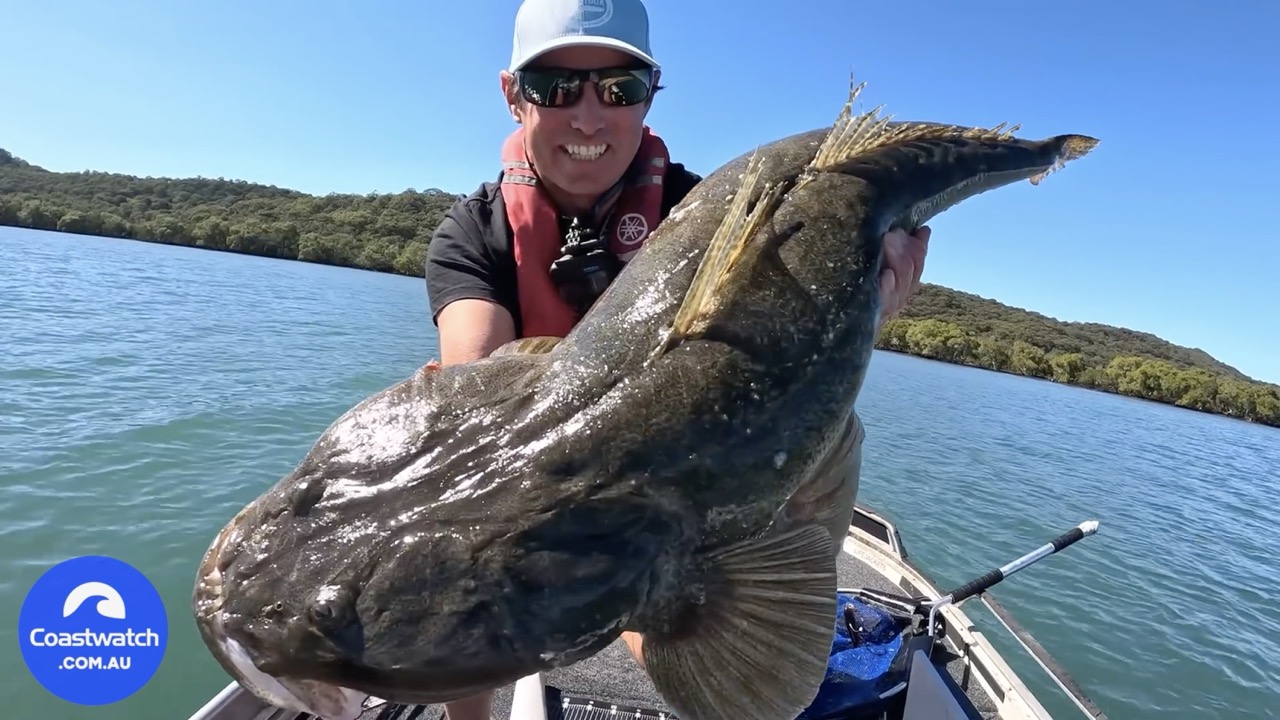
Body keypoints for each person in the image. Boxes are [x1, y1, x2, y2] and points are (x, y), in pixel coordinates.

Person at [424, 1, 930, 717]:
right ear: (513, 94)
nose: (590, 118)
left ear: (651, 93)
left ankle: (739, 648)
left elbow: (787, 364)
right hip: (549, 474)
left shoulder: (718, 213)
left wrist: (866, 313)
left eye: (620, 88)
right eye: (557, 87)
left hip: (711, 461)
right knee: (461, 500)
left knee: (828, 439)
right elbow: (475, 380)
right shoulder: (474, 233)